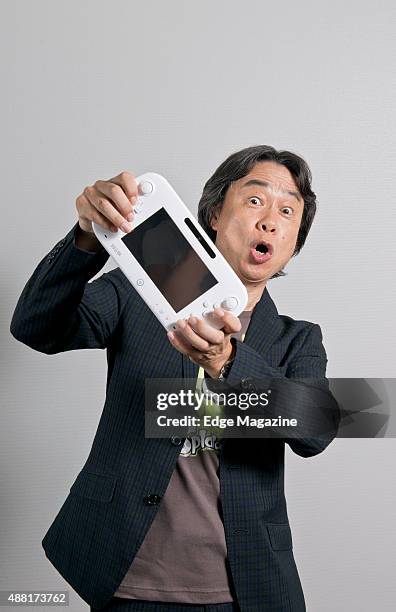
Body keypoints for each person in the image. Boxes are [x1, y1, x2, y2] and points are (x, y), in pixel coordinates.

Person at [10, 145, 340, 612]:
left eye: (288, 211)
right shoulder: (136, 294)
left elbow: (315, 429)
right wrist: (87, 236)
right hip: (125, 579)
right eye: (254, 200)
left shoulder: (298, 339)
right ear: (212, 216)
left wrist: (227, 361)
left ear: (293, 242)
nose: (270, 219)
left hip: (243, 589)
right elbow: (36, 326)